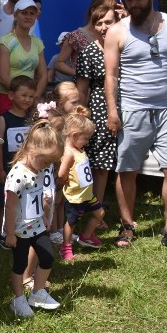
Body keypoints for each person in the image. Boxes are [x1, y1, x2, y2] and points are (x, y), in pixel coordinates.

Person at [104, 0, 167, 253]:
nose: (132, 3)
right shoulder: (117, 31)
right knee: (127, 170)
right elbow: (111, 75)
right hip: (132, 110)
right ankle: (128, 224)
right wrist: (112, 111)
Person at [4, 121, 65, 318]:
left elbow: (35, 197)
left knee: (47, 257)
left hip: (37, 225)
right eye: (46, 162)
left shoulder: (37, 170)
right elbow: (10, 206)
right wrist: (11, 233)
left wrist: (44, 218)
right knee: (20, 265)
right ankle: (18, 299)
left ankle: (37, 293)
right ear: (32, 149)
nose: (47, 167)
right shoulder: (17, 176)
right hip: (20, 230)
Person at [75, 0, 118, 210]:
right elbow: (82, 88)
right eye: (98, 23)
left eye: (108, 22)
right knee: (99, 165)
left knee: (122, 163)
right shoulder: (89, 52)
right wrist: (80, 116)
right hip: (100, 110)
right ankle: (95, 209)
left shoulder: (126, 49)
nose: (103, 27)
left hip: (127, 107)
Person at [0, 76, 36, 248]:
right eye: (23, 95)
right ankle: (3, 232)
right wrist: (0, 168)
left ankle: (19, 228)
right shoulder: (4, 118)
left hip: (26, 168)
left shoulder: (31, 119)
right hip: (8, 167)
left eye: (31, 96)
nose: (27, 99)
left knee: (21, 198)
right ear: (11, 95)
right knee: (3, 201)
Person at [57, 108, 105, 260]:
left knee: (100, 213)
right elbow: (61, 174)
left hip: (87, 194)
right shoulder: (69, 153)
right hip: (76, 197)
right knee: (71, 223)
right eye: (86, 138)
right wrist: (61, 183)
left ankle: (86, 236)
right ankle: (65, 246)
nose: (87, 141)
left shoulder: (78, 149)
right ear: (75, 135)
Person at [0, 0, 48, 125]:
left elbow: (43, 75)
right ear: (15, 15)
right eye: (24, 13)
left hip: (29, 101)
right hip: (7, 98)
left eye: (32, 13)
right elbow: (2, 77)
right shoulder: (5, 42)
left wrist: (32, 97)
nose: (28, 17)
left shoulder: (38, 43)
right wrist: (22, 97)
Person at [57, 0, 117, 84]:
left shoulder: (114, 33)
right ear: (93, 10)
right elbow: (59, 63)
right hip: (84, 87)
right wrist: (80, 74)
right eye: (103, 10)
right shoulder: (75, 36)